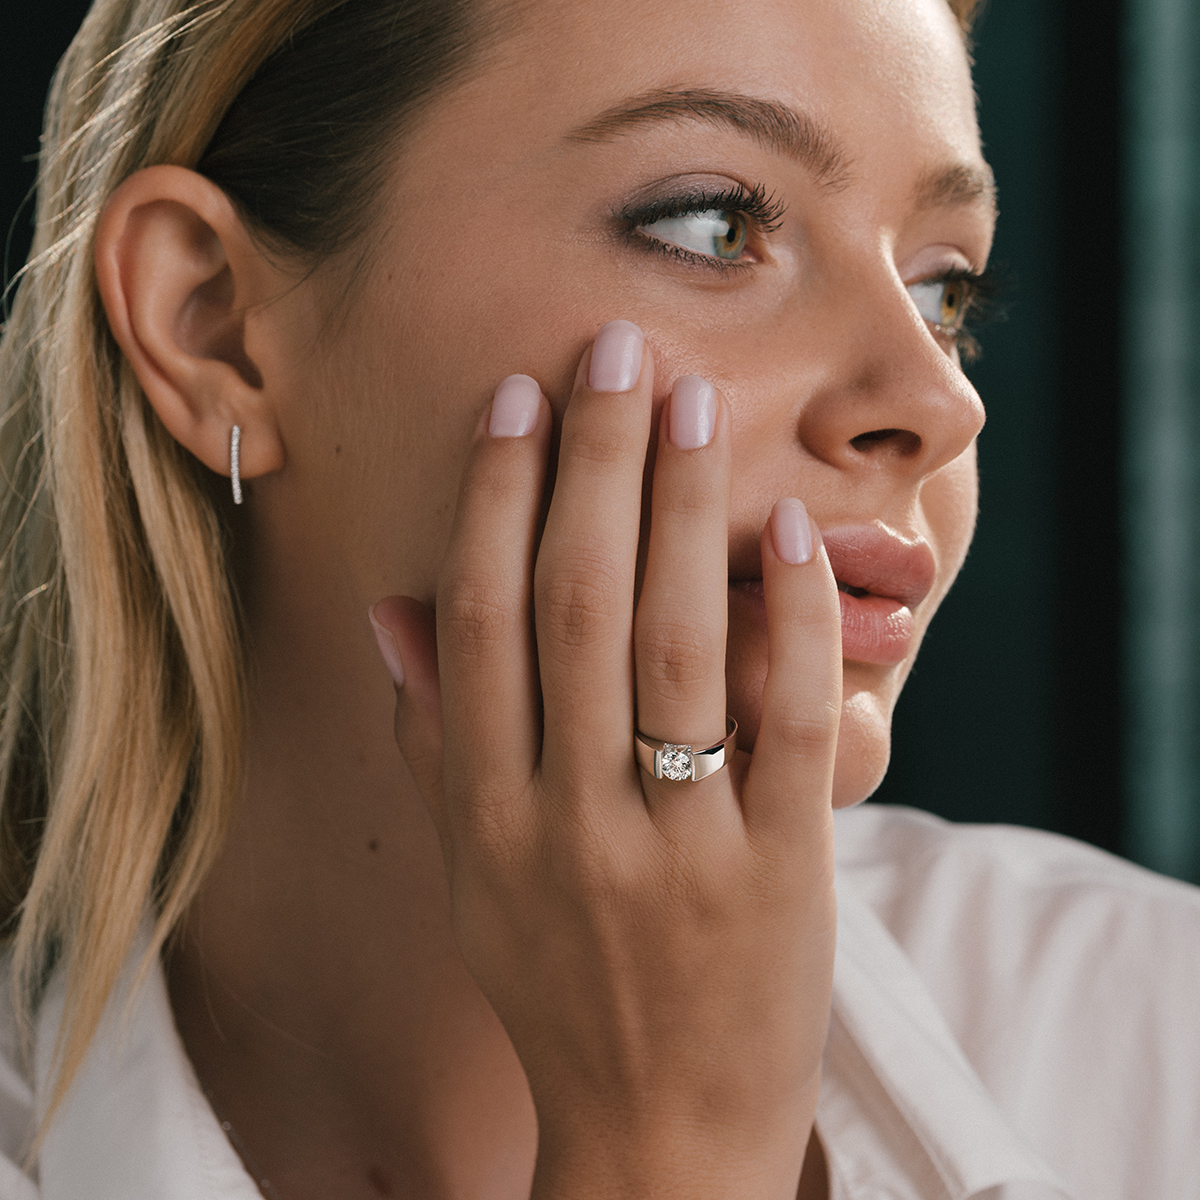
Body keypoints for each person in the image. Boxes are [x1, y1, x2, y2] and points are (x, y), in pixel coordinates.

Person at [1, 0, 1198, 1197]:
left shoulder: (1153, 1037)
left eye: (946, 291)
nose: (938, 403)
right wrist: (671, 1146)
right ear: (212, 326)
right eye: (713, 224)